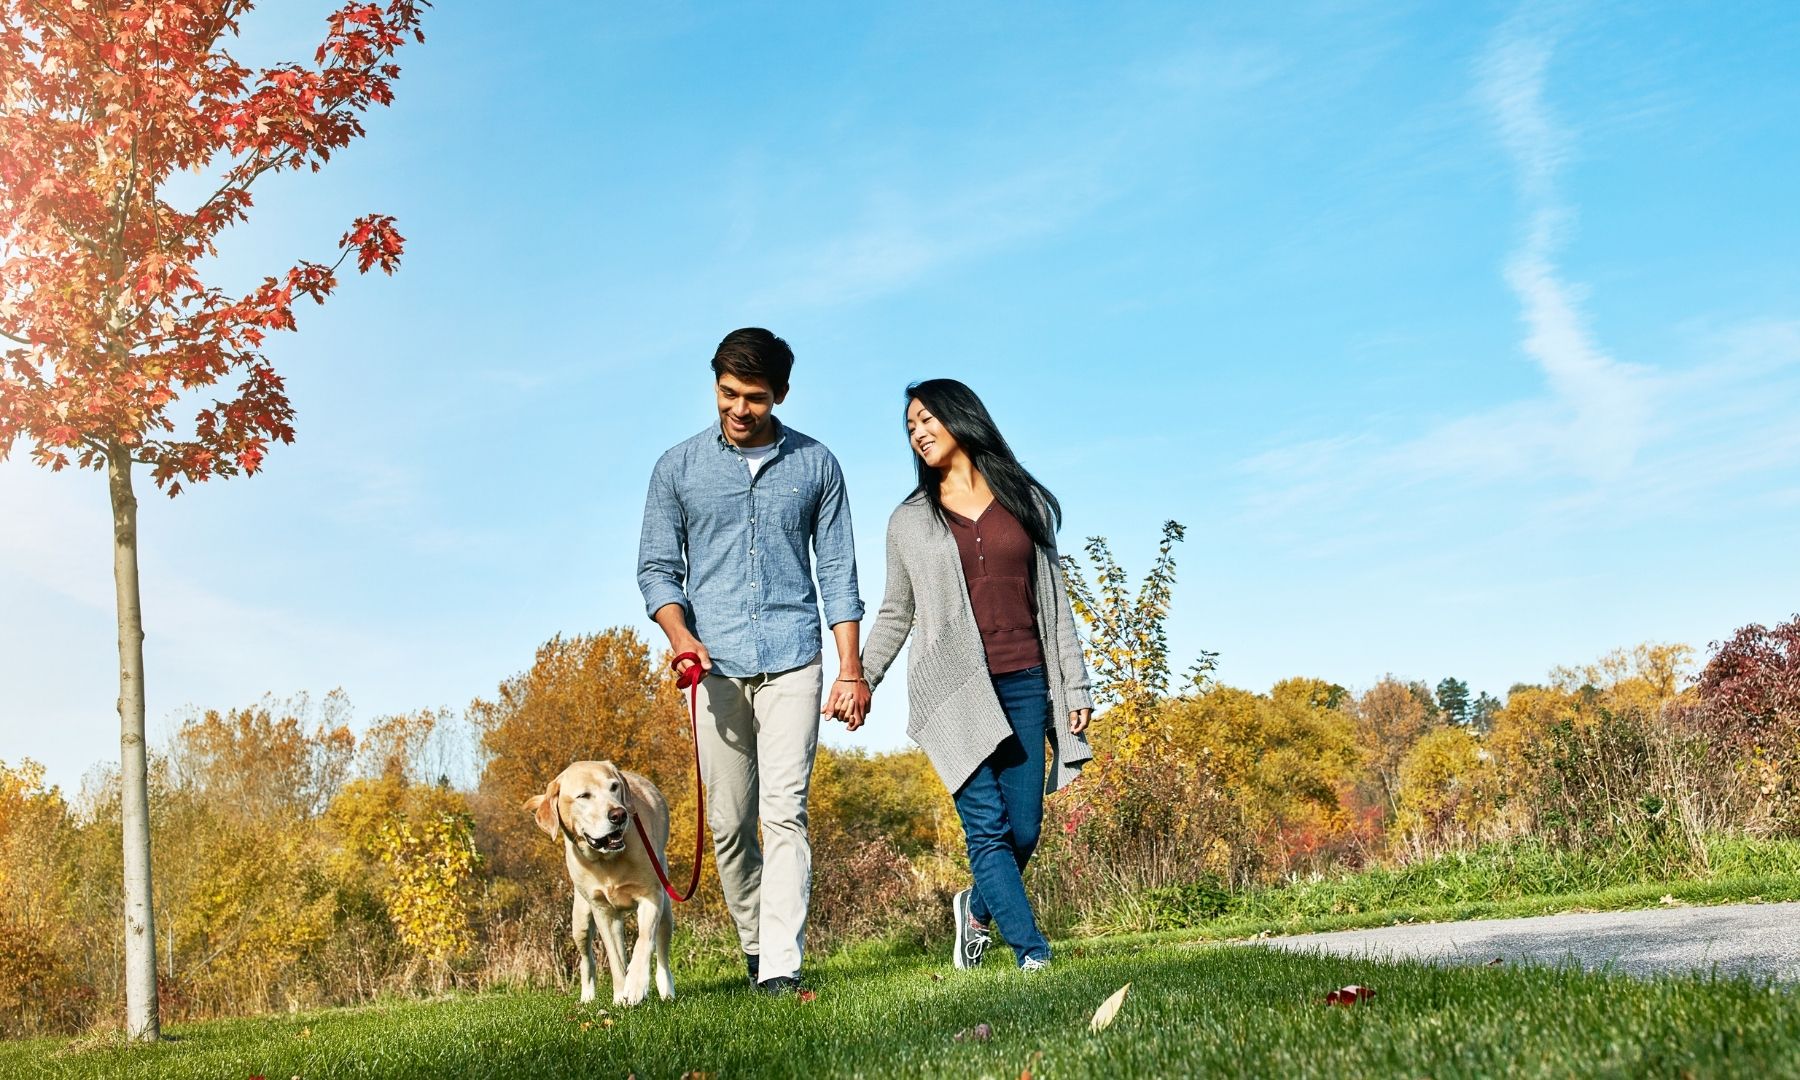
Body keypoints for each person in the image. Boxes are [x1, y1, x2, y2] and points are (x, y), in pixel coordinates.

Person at [637, 328, 870, 995]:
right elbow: (656, 569)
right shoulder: (676, 469)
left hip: (794, 657)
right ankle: (753, 944)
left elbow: (839, 571)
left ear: (781, 396)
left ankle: (779, 965)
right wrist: (680, 635)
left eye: (756, 398)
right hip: (713, 667)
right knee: (729, 823)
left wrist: (850, 669)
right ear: (715, 385)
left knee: (785, 810)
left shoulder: (816, 465)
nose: (740, 409)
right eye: (729, 393)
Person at [855, 378, 1093, 972]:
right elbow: (895, 611)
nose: (918, 432)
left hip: (1026, 681)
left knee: (1026, 829)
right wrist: (861, 677)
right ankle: (1032, 954)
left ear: (962, 418)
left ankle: (976, 910)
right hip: (954, 691)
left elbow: (1055, 601)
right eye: (910, 426)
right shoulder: (908, 520)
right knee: (986, 830)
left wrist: (1075, 686)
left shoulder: (1024, 499)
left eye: (927, 418)